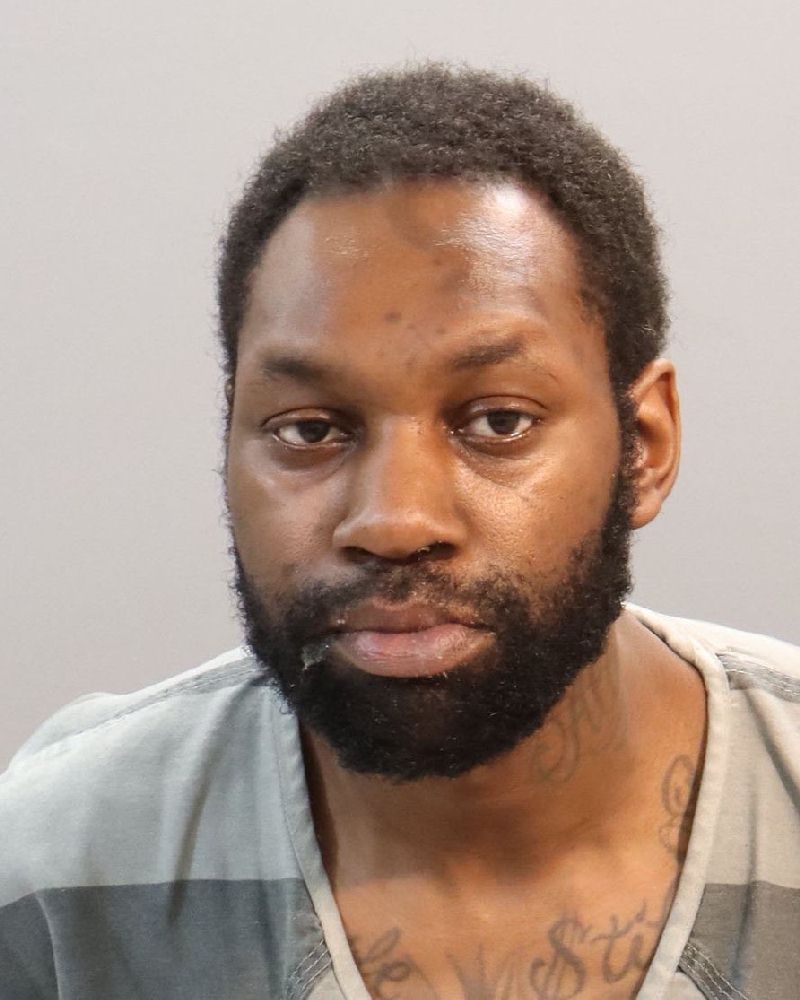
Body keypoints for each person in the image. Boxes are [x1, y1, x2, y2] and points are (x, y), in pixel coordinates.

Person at [1, 64, 798, 1000]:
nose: (393, 521)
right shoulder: (59, 867)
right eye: (309, 430)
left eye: (498, 421)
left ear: (645, 448)